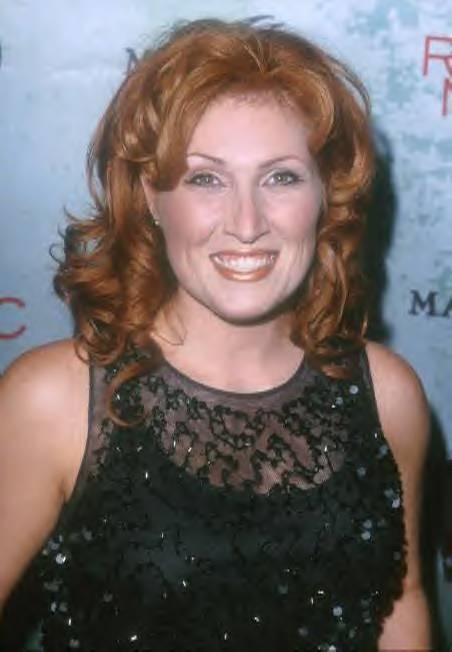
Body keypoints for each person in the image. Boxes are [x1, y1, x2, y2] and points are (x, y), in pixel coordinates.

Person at [0, 17, 431, 651]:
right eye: (205, 178)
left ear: (325, 194)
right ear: (151, 197)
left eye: (281, 177)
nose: (246, 223)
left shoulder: (388, 395)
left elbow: (403, 599)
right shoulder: (52, 400)